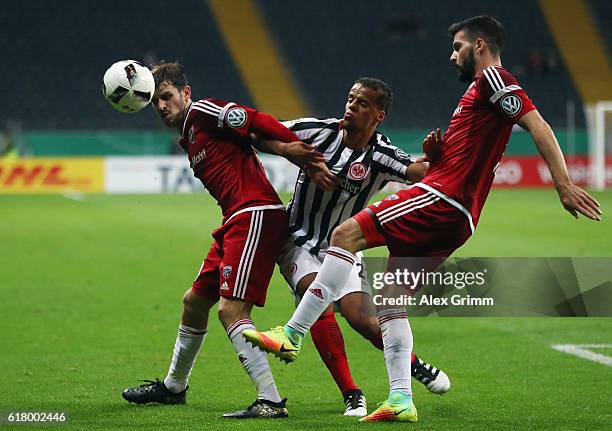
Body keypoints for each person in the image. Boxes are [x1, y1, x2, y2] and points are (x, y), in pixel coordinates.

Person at [243, 15, 602, 423]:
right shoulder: (480, 94)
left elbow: (537, 123)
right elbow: (472, 155)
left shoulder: (494, 81)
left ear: (480, 45)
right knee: (392, 304)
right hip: (460, 216)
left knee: (345, 234)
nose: (452, 55)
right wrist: (440, 154)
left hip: (442, 198)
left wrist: (563, 183)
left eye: (458, 47)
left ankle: (291, 333)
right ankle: (401, 398)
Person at [121, 61, 325, 418]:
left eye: (167, 97)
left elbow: (255, 119)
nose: (161, 106)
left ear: (185, 93)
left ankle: (271, 401)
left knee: (230, 310)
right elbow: (250, 140)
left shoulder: (201, 112)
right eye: (155, 102)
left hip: (255, 215)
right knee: (194, 302)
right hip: (235, 221)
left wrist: (293, 150)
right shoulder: (189, 134)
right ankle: (174, 387)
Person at [255, 77, 450, 417]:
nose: (351, 106)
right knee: (317, 303)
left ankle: (413, 365)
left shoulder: (382, 154)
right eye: (350, 99)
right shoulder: (316, 131)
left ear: (379, 115)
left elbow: (419, 172)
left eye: (361, 103)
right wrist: (293, 153)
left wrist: (438, 159)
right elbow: (258, 133)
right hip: (297, 240)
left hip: (344, 247)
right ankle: (352, 393)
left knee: (363, 319)